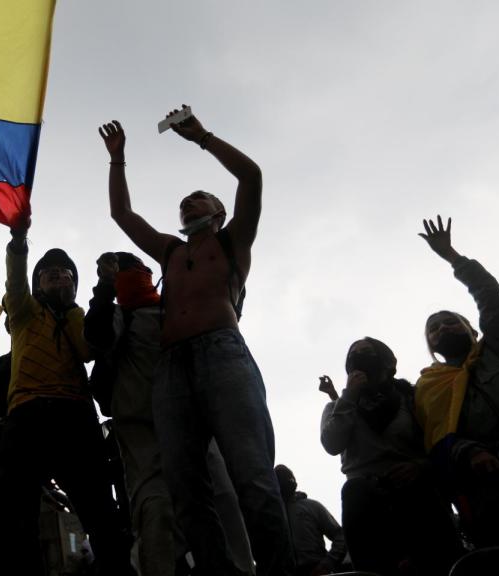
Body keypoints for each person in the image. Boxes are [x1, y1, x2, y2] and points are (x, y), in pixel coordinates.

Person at [99, 110, 291, 575]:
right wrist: (118, 160)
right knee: (186, 490)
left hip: (222, 354)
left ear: (219, 212)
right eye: (184, 201)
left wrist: (201, 137)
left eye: (198, 197)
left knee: (252, 479)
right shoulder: (170, 251)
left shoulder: (232, 241)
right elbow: (123, 215)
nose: (188, 203)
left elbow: (251, 175)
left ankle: (280, 570)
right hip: (172, 369)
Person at [85, 251, 253, 576]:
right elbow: (97, 336)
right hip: (143, 434)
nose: (129, 277)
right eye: (122, 272)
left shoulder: (177, 311)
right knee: (156, 513)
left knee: (223, 505)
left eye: (132, 269)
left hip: (195, 428)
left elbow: (223, 317)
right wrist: (104, 287)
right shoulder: (120, 315)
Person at [0, 219, 132, 576]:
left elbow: (87, 349)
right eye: (48, 272)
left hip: (75, 415)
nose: (58, 275)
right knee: (13, 511)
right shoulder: (23, 311)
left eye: (65, 272)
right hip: (26, 414)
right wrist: (18, 240)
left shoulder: (78, 315)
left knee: (98, 510)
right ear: (37, 283)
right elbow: (14, 280)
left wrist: (82, 303)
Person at [415, 215, 499, 548]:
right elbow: (437, 440)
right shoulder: (429, 388)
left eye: (450, 322)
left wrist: (452, 257)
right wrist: (470, 452)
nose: (443, 329)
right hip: (490, 485)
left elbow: (491, 297)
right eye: (434, 329)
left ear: (472, 330)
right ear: (431, 347)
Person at [321, 337, 463, 575]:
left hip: (417, 493)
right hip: (365, 501)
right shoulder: (338, 407)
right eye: (353, 354)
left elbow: (435, 442)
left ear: (386, 361)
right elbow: (332, 444)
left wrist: (420, 466)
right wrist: (348, 397)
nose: (359, 356)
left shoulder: (412, 398)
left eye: (367, 352)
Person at [273, 465, 345, 576]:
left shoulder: (312, 506)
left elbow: (340, 536)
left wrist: (326, 565)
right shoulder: (272, 514)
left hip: (316, 570)